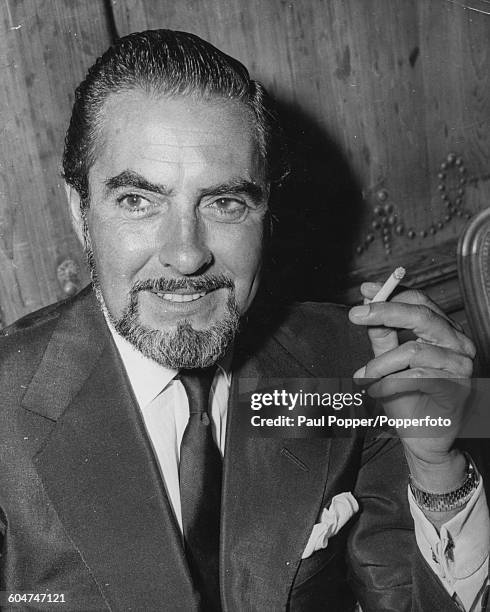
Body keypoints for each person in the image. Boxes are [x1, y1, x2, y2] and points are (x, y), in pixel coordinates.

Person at [0, 29, 486, 612]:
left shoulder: (353, 364)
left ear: (265, 215)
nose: (186, 254)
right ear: (82, 214)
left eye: (224, 203)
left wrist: (441, 470)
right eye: (138, 201)